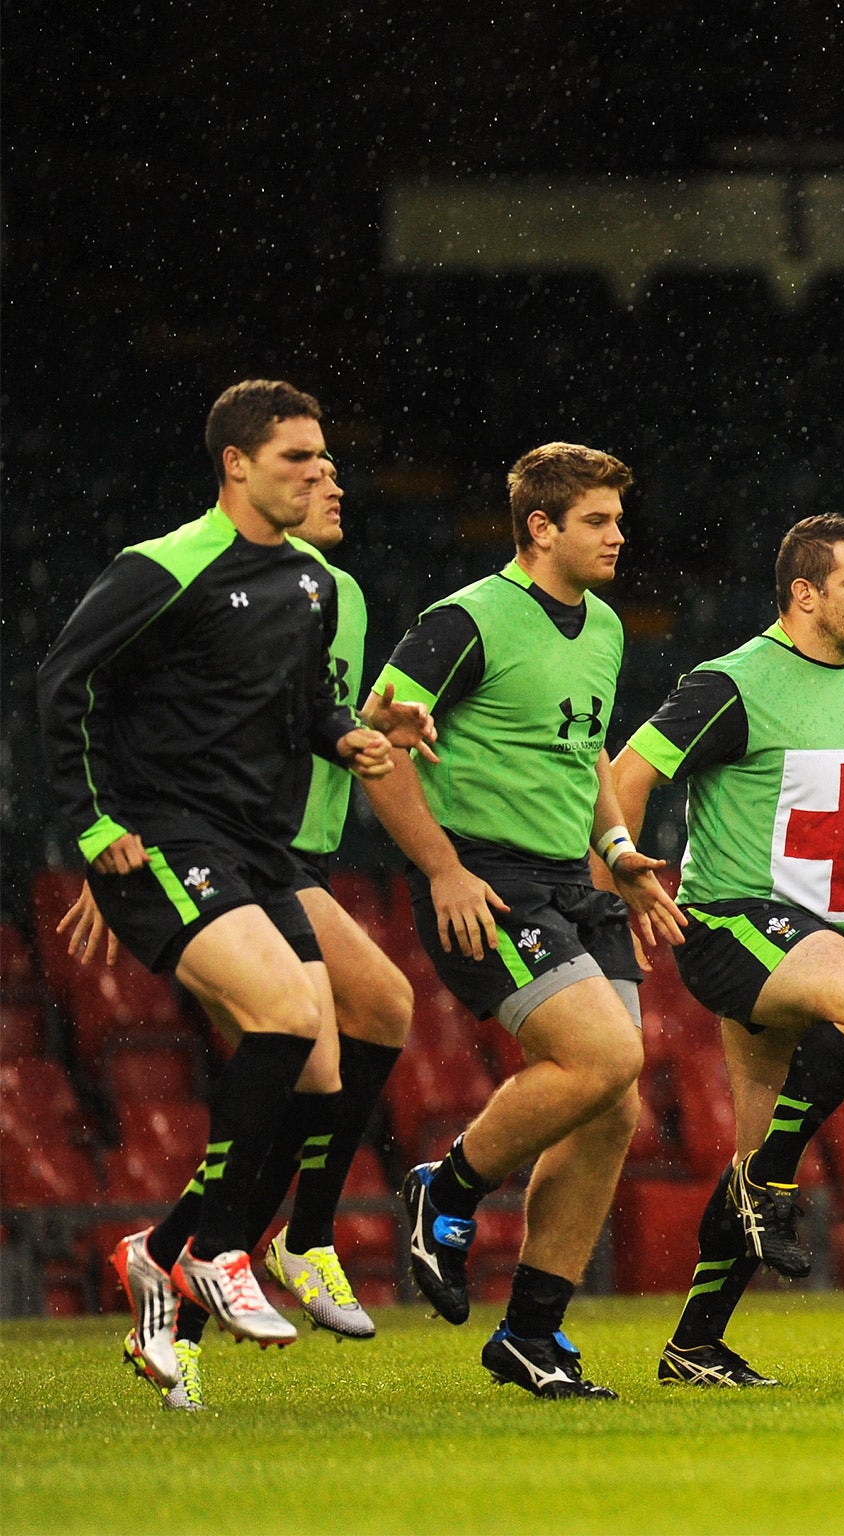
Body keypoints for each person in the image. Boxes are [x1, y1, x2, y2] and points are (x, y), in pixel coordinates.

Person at [37, 380, 430, 1406]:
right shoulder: (162, 568)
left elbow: (304, 707)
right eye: (298, 458)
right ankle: (221, 1249)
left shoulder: (307, 584)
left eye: (324, 456)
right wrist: (89, 820)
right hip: (167, 833)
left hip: (256, 846)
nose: (319, 473)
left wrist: (345, 735)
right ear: (236, 466)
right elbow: (61, 684)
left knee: (324, 1047)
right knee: (293, 1015)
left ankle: (168, 1252)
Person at [608, 513, 844, 1388]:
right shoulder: (731, 682)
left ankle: (694, 1343)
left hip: (812, 937)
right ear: (804, 594)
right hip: (731, 921)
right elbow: (628, 774)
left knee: (751, 1147)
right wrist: (624, 869)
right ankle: (767, 1180)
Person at [362, 442, 685, 1399]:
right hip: (487, 879)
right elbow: (375, 746)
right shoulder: (462, 620)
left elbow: (584, 758)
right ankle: (447, 1187)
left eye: (618, 519)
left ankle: (532, 1334)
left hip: (573, 882)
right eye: (598, 520)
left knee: (612, 1105)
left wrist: (621, 851)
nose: (618, 535)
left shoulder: (607, 629)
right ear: (541, 528)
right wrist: (443, 868)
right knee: (602, 1059)